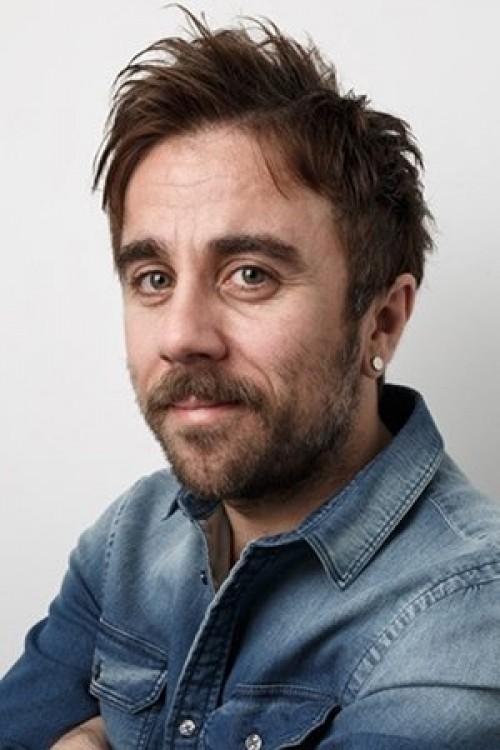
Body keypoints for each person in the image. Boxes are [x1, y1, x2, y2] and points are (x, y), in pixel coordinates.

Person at [1, 10, 500, 749]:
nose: (181, 337)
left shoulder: (467, 618)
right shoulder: (129, 539)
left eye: (250, 274)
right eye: (153, 277)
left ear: (382, 321)